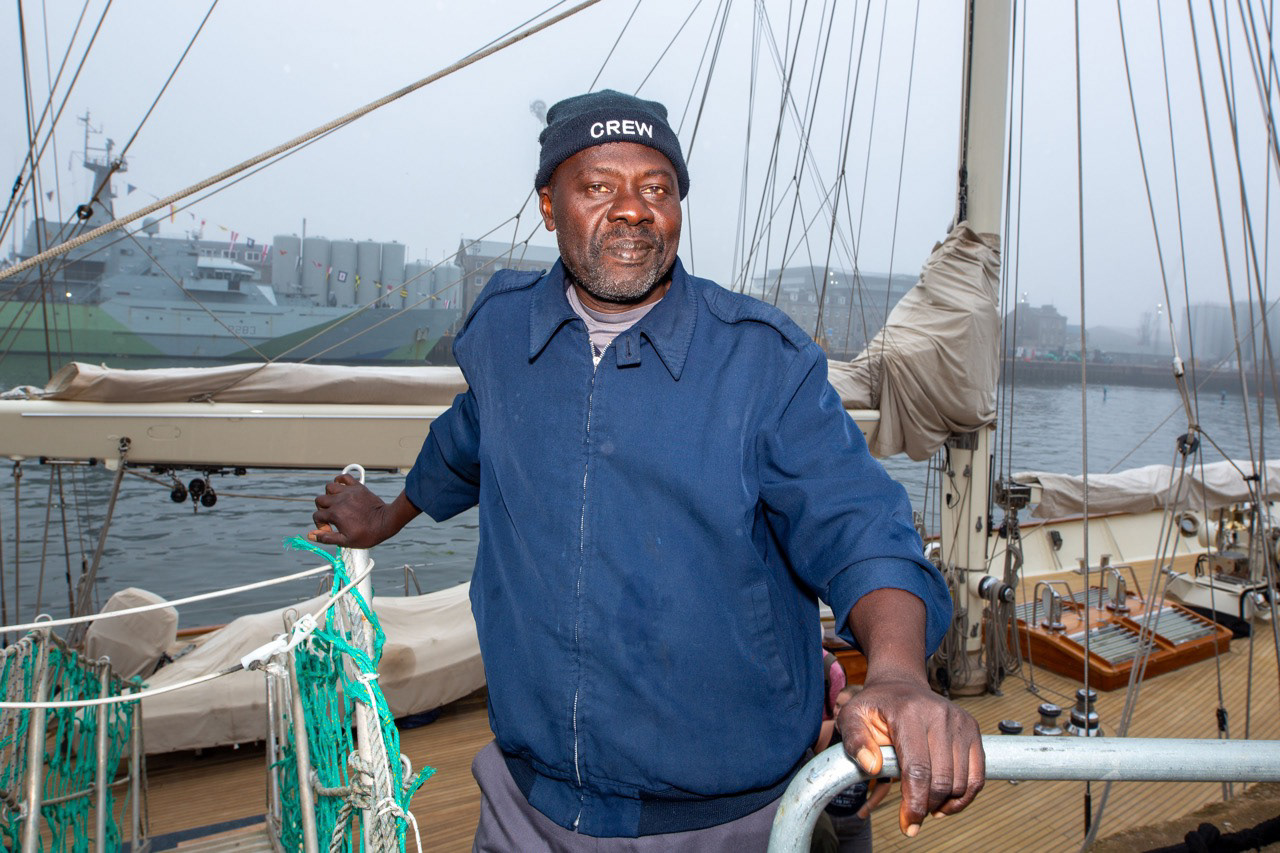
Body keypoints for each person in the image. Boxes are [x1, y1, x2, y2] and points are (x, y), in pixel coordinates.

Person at [311, 89, 983, 851]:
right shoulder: (502, 332)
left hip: (735, 822)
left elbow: (860, 523)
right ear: (547, 204)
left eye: (656, 188)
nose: (632, 209)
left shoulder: (762, 362)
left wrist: (897, 671)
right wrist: (386, 517)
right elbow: (468, 437)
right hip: (524, 807)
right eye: (599, 185)